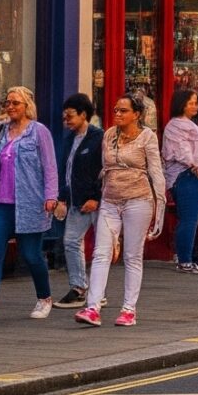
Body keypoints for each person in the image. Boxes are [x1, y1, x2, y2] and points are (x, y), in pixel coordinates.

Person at [0, 85, 64, 323]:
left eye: (15, 103)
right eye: (7, 103)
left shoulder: (39, 132)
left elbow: (50, 166)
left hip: (30, 201)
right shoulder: (0, 130)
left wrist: (51, 196)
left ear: (27, 106)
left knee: (31, 255)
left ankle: (44, 297)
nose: (10, 107)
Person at [78, 94, 167, 328]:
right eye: (116, 110)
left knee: (132, 255)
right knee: (101, 253)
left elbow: (156, 173)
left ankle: (129, 310)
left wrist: (160, 208)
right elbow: (103, 169)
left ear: (137, 114)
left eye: (123, 111)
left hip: (138, 199)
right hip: (110, 200)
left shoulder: (147, 137)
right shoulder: (109, 134)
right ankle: (92, 307)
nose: (117, 114)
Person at [58, 94, 103, 311]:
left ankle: (97, 291)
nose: (66, 121)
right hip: (76, 200)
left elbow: (104, 171)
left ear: (84, 115)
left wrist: (96, 196)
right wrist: (62, 197)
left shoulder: (99, 137)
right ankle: (79, 287)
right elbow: (66, 172)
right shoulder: (68, 139)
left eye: (70, 116)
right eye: (64, 117)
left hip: (96, 201)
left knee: (102, 248)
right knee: (71, 242)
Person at [162, 88, 198, 274]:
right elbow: (181, 150)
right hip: (185, 174)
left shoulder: (187, 123)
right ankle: (184, 260)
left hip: (192, 173)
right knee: (189, 219)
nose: (195, 106)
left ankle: (190, 256)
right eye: (190, 103)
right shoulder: (175, 126)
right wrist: (193, 164)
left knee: (194, 218)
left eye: (196, 103)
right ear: (181, 104)